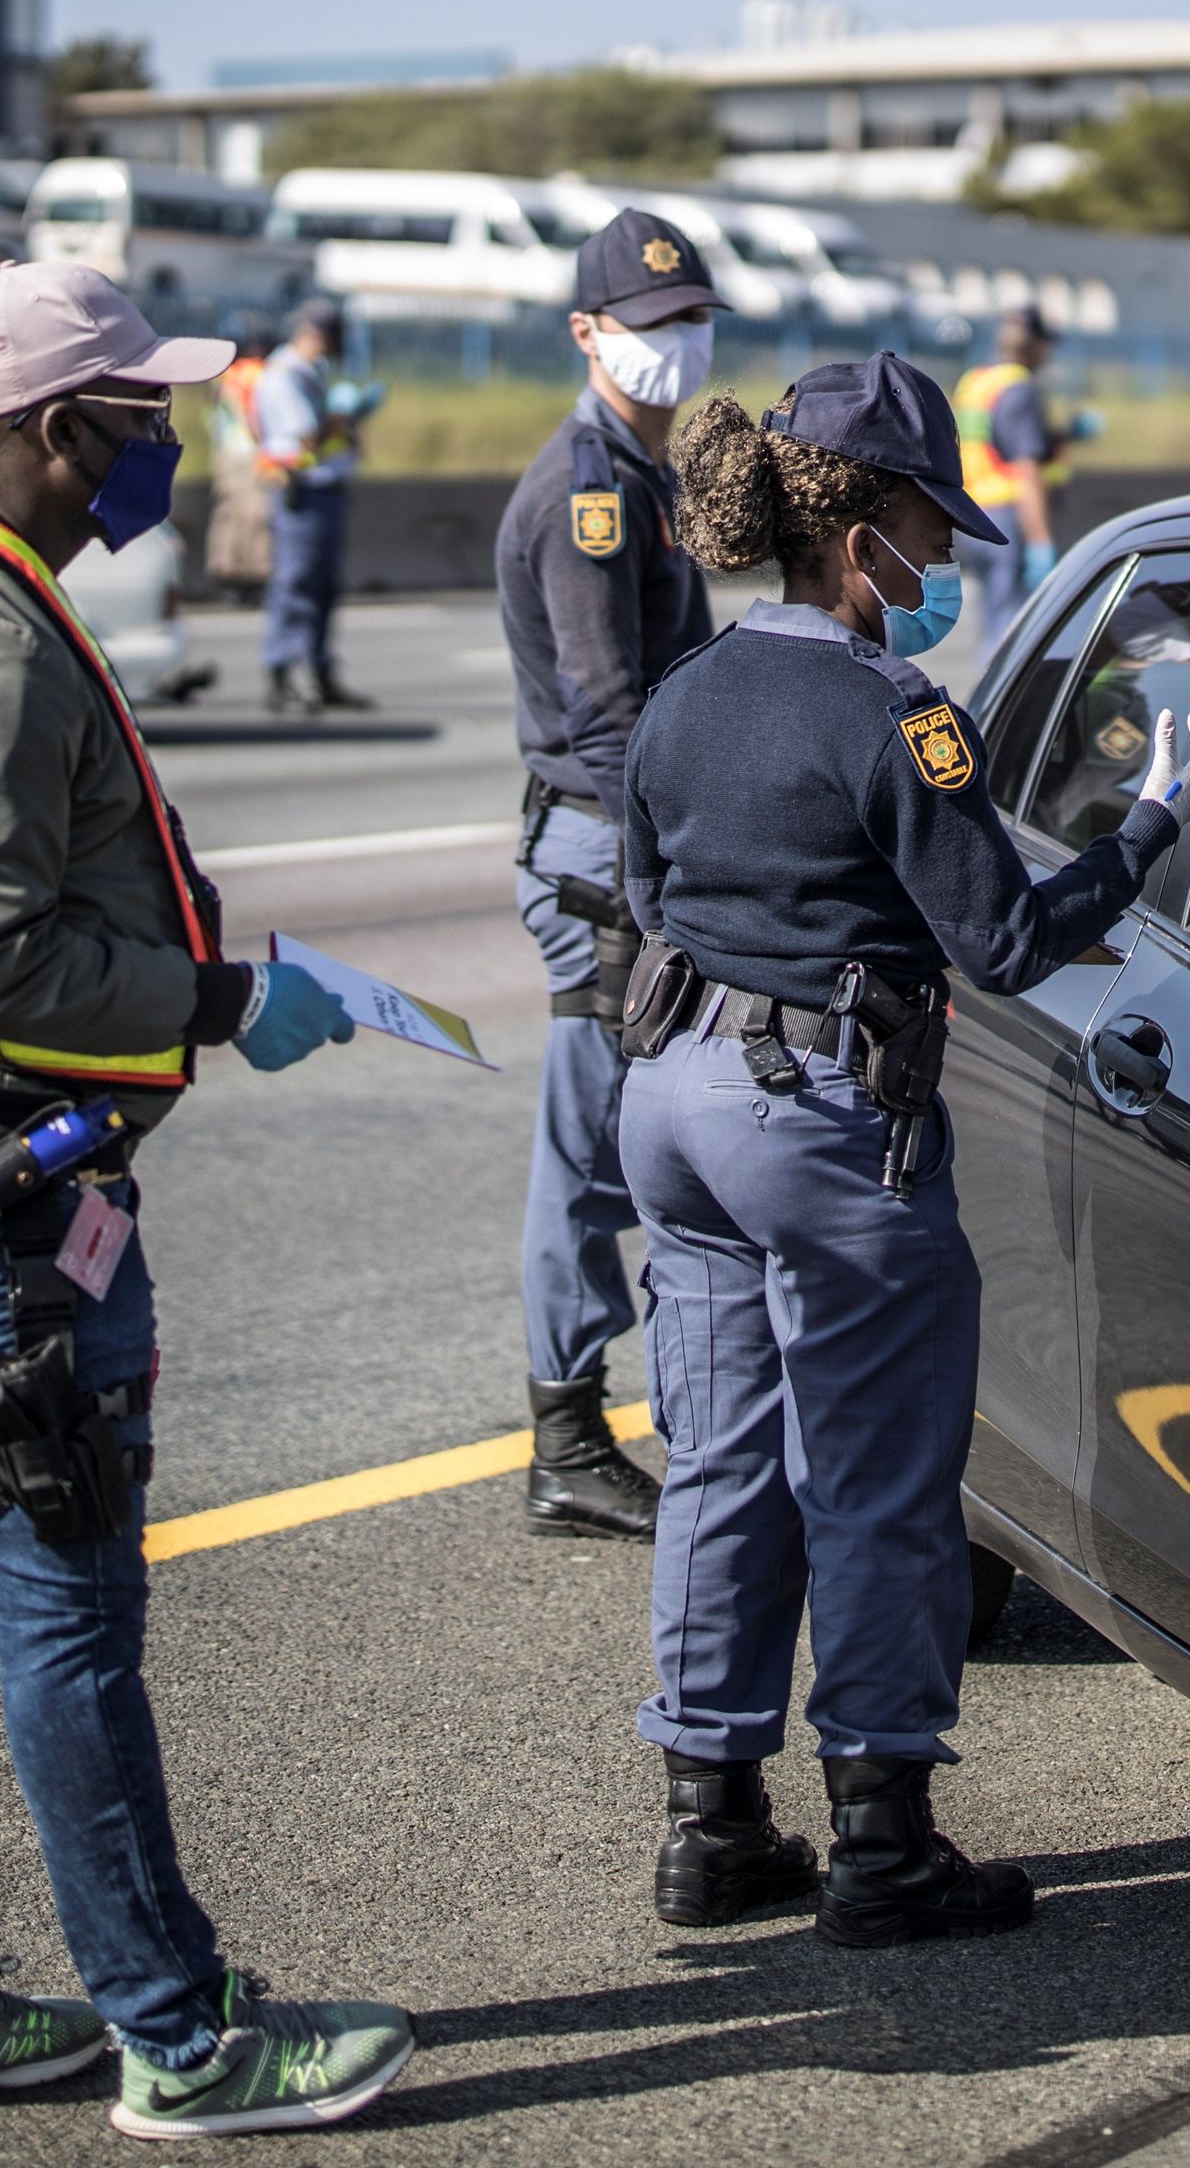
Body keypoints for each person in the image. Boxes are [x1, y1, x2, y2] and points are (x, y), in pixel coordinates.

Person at [0, 259, 414, 2138]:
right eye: (143, 413)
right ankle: (180, 2039)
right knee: (65, 1616)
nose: (167, 438)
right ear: (60, 431)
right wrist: (223, 1001)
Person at [620, 354, 1190, 1944]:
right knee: (882, 1483)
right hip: (816, 1120)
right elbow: (1006, 939)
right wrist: (1151, 820)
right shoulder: (895, 713)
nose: (942, 564)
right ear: (866, 525)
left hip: (673, 1099)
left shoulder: (687, 692)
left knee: (722, 1460)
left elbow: (644, 892)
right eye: (928, 531)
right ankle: (885, 1839)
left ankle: (713, 1821)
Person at [493, 208, 728, 1541]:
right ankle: (566, 1437)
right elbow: (609, 711)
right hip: (604, 852)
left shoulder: (646, 470)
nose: (676, 348)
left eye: (691, 323)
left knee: (627, 1142)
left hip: (622, 839)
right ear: (588, 335)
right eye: (650, 329)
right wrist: (662, 885)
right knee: (586, 1154)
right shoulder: (590, 493)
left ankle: (628, 1416)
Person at [252, 299, 376, 713]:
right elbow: (304, 438)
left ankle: (320, 672)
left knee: (323, 586)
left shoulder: (310, 372)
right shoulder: (285, 374)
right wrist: (342, 419)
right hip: (301, 492)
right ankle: (284, 673)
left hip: (324, 490)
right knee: (297, 583)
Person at [953, 302, 1074, 638]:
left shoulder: (975, 381)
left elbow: (988, 443)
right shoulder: (1018, 388)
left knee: (993, 616)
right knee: (1013, 630)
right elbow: (1025, 470)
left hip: (970, 513)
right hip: (1007, 518)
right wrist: (1040, 540)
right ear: (1037, 345)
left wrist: (1062, 436)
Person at [204, 318, 275, 596]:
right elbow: (255, 417)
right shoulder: (254, 374)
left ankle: (225, 571)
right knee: (256, 513)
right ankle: (253, 575)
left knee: (228, 511)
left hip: (224, 451)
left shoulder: (224, 374)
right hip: (248, 453)